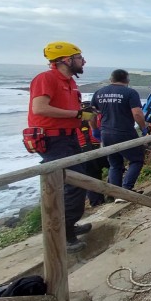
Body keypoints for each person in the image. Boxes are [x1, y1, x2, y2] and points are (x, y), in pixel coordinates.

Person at [27, 41, 95, 252]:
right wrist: (76, 114)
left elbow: (67, 108)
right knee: (72, 184)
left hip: (69, 137)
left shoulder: (70, 82)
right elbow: (39, 108)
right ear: (67, 60)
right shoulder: (46, 78)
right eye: (79, 57)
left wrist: (82, 114)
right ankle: (63, 235)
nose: (83, 61)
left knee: (77, 182)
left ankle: (69, 226)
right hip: (54, 140)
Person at [91, 69, 147, 193]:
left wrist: (95, 129)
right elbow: (137, 113)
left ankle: (116, 194)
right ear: (127, 80)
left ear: (111, 79)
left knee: (115, 164)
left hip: (106, 133)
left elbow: (91, 114)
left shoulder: (99, 93)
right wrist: (143, 128)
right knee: (136, 159)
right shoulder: (130, 92)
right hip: (125, 131)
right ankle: (126, 190)